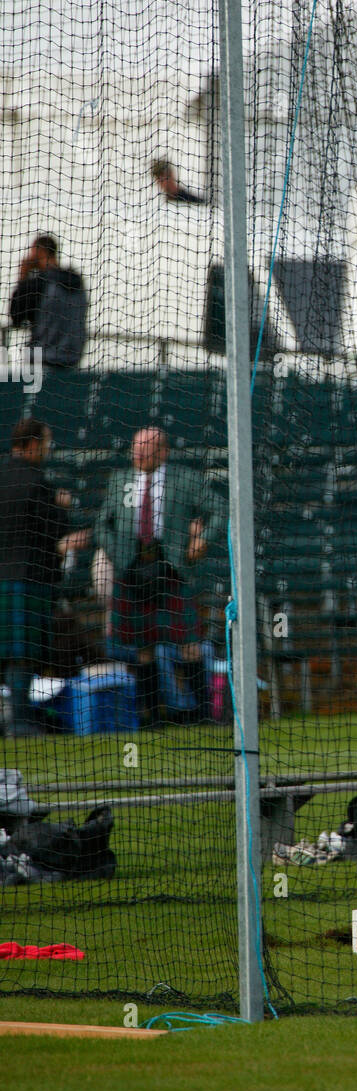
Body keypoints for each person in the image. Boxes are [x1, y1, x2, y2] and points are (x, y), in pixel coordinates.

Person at [93, 427, 225, 727]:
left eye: (145, 448)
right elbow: (102, 525)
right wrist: (120, 556)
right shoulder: (120, 480)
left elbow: (219, 508)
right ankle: (151, 717)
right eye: (135, 448)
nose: (137, 453)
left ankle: (203, 715)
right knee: (142, 648)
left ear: (163, 452)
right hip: (133, 571)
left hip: (172, 568)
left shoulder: (185, 479)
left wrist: (202, 539)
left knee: (189, 644)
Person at [0, 418, 87, 734]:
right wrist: (61, 506)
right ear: (33, 444)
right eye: (47, 443)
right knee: (22, 656)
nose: (48, 450)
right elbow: (56, 532)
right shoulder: (40, 484)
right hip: (29, 578)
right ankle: (20, 721)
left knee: (7, 654)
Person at [8, 234, 87, 370]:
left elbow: (17, 316)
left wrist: (23, 276)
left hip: (41, 362)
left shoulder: (38, 284)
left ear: (39, 251)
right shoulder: (76, 282)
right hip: (72, 361)